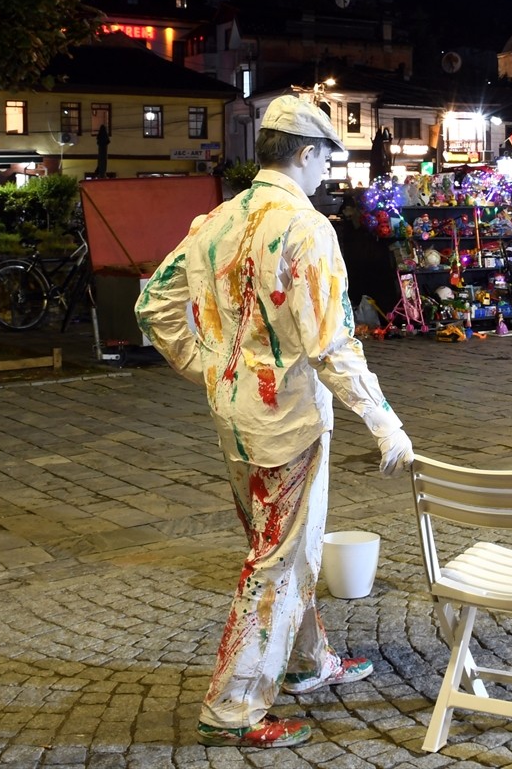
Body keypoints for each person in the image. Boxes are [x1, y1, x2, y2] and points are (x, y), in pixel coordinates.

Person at [135, 95, 414, 750]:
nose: (326, 175)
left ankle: (305, 658)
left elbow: (154, 304)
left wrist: (206, 364)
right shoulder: (305, 228)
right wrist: (384, 422)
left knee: (281, 546)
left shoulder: (219, 221)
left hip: (232, 413)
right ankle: (233, 704)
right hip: (285, 420)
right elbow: (332, 344)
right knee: (275, 559)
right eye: (326, 160)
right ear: (308, 153)